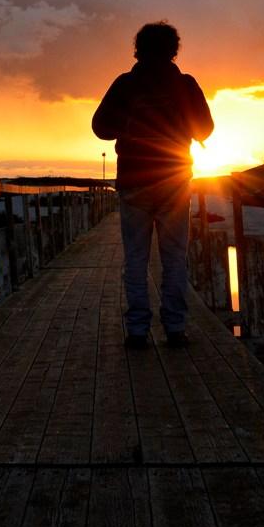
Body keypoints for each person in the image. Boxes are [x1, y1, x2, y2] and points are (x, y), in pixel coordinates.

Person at [91, 21, 214, 349]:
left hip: (134, 181)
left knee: (136, 258)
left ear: (138, 49)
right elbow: (205, 130)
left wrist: (129, 125)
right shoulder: (185, 85)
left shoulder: (126, 84)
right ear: (174, 50)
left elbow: (99, 127)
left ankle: (137, 330)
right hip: (174, 181)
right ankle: (175, 328)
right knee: (174, 257)